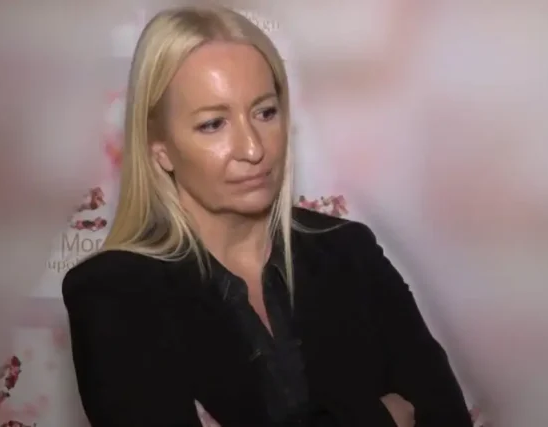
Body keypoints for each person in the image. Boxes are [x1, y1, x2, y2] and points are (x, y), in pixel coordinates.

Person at [63, 6, 472, 427]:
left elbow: (444, 415)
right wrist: (379, 417)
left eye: (265, 113)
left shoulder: (349, 252)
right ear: (159, 148)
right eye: (213, 124)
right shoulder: (113, 293)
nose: (253, 148)